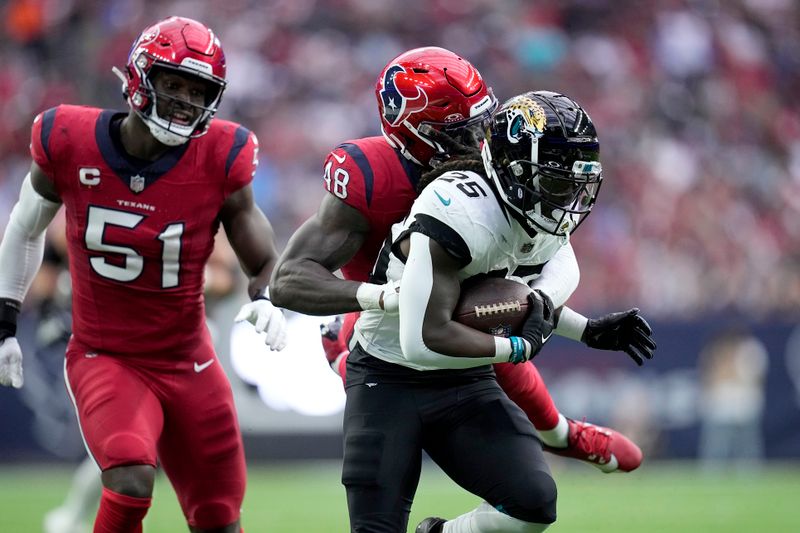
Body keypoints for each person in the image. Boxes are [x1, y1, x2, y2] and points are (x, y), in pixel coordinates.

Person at [270, 47, 651, 477]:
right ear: (414, 133)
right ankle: (344, 350)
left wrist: (556, 315)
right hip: (386, 327)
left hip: (457, 304)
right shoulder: (372, 176)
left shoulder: (493, 172)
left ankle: (561, 435)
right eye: (462, 133)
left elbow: (554, 260)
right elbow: (286, 280)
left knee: (492, 318)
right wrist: (380, 298)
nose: (480, 143)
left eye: (483, 125)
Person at [0, 16, 287, 533]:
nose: (182, 100)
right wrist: (5, 319)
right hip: (105, 352)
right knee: (130, 477)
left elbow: (261, 255)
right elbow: (24, 228)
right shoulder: (69, 138)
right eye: (172, 83)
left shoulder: (222, 155)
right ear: (139, 77)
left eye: (196, 90)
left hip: (188, 359)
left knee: (219, 517)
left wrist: (267, 297)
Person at [343, 90, 653, 532]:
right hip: (388, 373)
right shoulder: (459, 210)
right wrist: (516, 347)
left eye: (573, 183)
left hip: (463, 377)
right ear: (513, 168)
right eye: (556, 180)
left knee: (533, 503)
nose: (566, 196)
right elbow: (422, 340)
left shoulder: (530, 204)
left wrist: (585, 331)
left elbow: (538, 279)